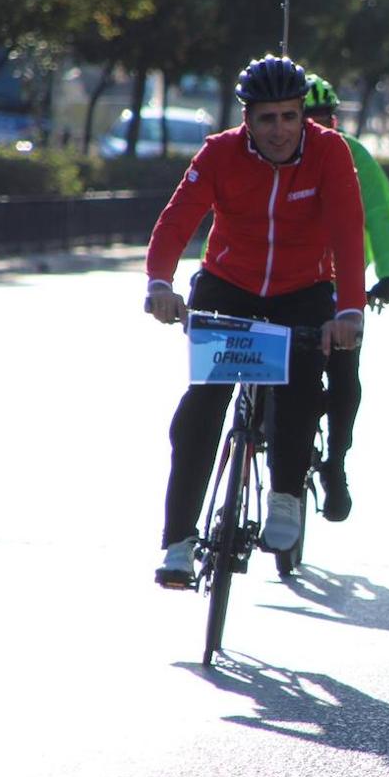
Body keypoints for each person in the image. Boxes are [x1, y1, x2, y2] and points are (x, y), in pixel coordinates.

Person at [147, 54, 366, 588]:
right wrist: (159, 283)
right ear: (247, 119)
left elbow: (347, 231)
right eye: (266, 119)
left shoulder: (329, 152)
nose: (279, 130)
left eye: (289, 117)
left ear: (302, 116)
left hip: (303, 291)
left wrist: (350, 310)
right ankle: (178, 543)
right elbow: (177, 221)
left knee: (297, 392)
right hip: (230, 287)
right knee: (202, 406)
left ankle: (286, 494)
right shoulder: (219, 153)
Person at [301, 72, 389, 521]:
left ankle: (335, 463)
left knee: (344, 374)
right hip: (283, 283)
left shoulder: (353, 156)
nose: (317, 128)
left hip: (338, 284)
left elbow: (380, 216)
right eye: (308, 119)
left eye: (325, 119)